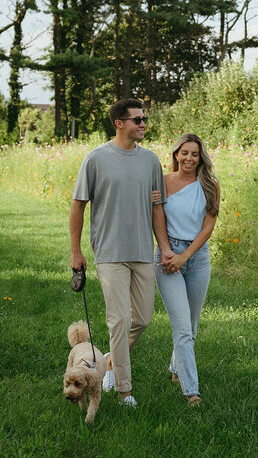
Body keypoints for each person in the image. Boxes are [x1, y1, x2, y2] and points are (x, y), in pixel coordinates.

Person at [69, 98, 173, 408]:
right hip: (109, 252)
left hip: (142, 250)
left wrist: (164, 247)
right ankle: (125, 390)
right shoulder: (96, 159)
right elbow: (78, 206)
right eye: (137, 119)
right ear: (119, 123)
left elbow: (157, 208)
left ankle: (110, 361)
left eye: (143, 119)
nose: (143, 124)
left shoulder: (151, 161)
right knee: (119, 320)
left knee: (141, 317)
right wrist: (75, 251)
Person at [153, 133, 220, 406]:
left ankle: (175, 369)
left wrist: (186, 256)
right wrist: (169, 252)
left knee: (190, 326)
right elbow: (157, 218)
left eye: (194, 154)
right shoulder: (163, 183)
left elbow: (208, 227)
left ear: (200, 157)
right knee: (181, 328)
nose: (189, 158)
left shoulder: (210, 185)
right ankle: (192, 391)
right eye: (184, 153)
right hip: (167, 256)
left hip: (197, 258)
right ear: (176, 154)